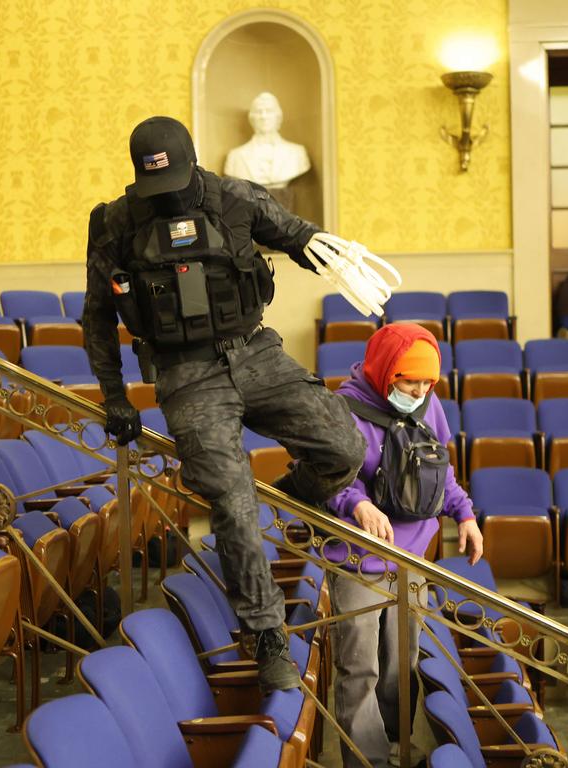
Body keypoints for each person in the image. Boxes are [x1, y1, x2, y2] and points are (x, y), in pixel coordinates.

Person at [83, 116, 366, 694]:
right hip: (187, 376)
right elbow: (97, 316)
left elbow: (294, 232)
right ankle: (266, 637)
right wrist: (114, 397)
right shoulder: (113, 222)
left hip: (255, 352)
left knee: (346, 447)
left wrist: (319, 248)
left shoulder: (237, 197)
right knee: (234, 506)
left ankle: (292, 498)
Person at [326, 323, 483, 768]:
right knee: (360, 669)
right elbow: (321, 474)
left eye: (425, 383)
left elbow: (441, 471)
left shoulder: (428, 406)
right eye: (406, 380)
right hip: (358, 557)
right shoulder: (344, 409)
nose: (415, 391)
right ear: (383, 370)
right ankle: (367, 760)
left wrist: (465, 514)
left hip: (409, 557)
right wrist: (356, 504)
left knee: (400, 667)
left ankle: (398, 750)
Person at [223, 92, 311, 189]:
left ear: (278, 116)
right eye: (258, 111)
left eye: (269, 111)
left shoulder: (297, 153)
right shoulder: (235, 156)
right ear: (252, 118)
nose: (263, 116)